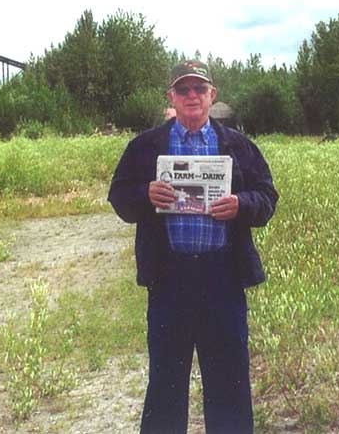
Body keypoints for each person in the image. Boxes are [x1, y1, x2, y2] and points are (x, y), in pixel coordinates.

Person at [108, 59, 279, 434]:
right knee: (165, 384)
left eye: (199, 89)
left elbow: (267, 198)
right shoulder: (145, 147)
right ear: (171, 96)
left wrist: (241, 204)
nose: (191, 96)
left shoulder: (238, 146)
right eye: (182, 89)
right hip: (169, 280)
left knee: (229, 382)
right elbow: (119, 197)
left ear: (212, 95)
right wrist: (145, 193)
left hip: (223, 279)